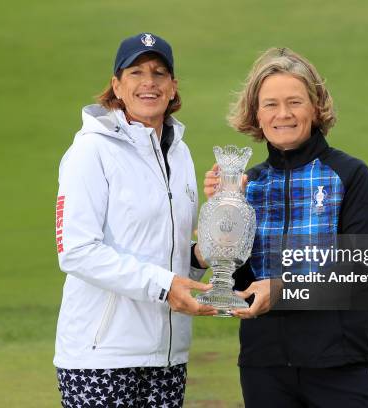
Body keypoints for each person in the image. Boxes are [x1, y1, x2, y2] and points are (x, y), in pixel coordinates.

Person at [204, 48, 368, 407]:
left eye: (294, 102)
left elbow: (361, 272)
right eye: (270, 104)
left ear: (316, 107)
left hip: (338, 365)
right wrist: (223, 218)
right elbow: (241, 284)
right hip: (263, 366)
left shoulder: (350, 175)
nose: (282, 114)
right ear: (256, 113)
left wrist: (284, 290)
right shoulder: (247, 186)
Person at [54, 32, 215, 408]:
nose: (149, 83)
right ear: (117, 85)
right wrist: (164, 286)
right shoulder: (90, 151)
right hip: (101, 358)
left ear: (173, 87)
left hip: (166, 356)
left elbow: (170, 254)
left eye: (159, 73)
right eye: (136, 72)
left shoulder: (180, 153)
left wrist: (203, 256)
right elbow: (76, 251)